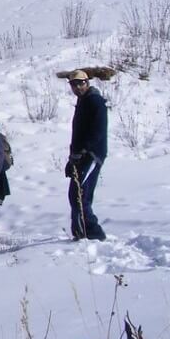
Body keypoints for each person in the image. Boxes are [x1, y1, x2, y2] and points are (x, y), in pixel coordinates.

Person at [66, 70, 108, 241]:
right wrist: (72, 157)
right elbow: (78, 134)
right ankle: (80, 232)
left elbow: (98, 130)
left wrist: (84, 150)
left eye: (80, 83)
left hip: (92, 154)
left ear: (87, 83)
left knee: (80, 195)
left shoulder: (95, 101)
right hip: (80, 156)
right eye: (73, 84)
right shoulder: (82, 102)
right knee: (75, 194)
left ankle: (93, 233)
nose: (77, 87)